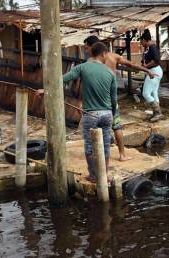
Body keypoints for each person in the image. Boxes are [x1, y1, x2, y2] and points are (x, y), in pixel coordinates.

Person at [37, 41, 116, 183]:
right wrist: (113, 114)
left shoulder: (82, 67)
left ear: (91, 53)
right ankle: (104, 174)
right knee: (105, 145)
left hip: (90, 115)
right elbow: (114, 99)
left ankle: (93, 176)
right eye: (106, 55)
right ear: (104, 54)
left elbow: (62, 79)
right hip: (107, 114)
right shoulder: (110, 73)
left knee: (89, 146)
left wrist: (46, 90)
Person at [83, 35, 153, 162]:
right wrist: (146, 71)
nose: (86, 50)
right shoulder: (113, 56)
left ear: (93, 47)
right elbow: (131, 64)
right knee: (116, 126)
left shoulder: (90, 62)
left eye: (87, 48)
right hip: (110, 98)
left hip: (98, 100)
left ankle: (99, 155)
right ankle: (122, 154)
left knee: (98, 126)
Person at [139, 29, 163, 122]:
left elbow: (156, 59)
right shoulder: (148, 48)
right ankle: (156, 113)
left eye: (141, 41)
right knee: (154, 92)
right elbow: (145, 60)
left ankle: (157, 112)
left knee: (145, 93)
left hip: (154, 72)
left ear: (145, 40)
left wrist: (146, 66)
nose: (141, 43)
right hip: (154, 71)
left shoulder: (152, 47)